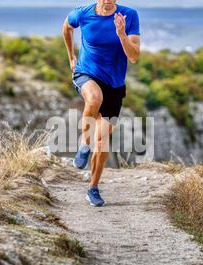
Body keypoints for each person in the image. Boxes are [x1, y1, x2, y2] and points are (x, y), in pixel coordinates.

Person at [62, 0, 141, 206]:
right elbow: (67, 27)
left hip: (115, 84)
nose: (107, 0)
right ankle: (83, 144)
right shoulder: (83, 13)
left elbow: (133, 57)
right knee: (95, 98)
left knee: (103, 141)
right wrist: (71, 56)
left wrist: (121, 33)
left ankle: (93, 188)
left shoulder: (129, 16)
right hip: (86, 73)